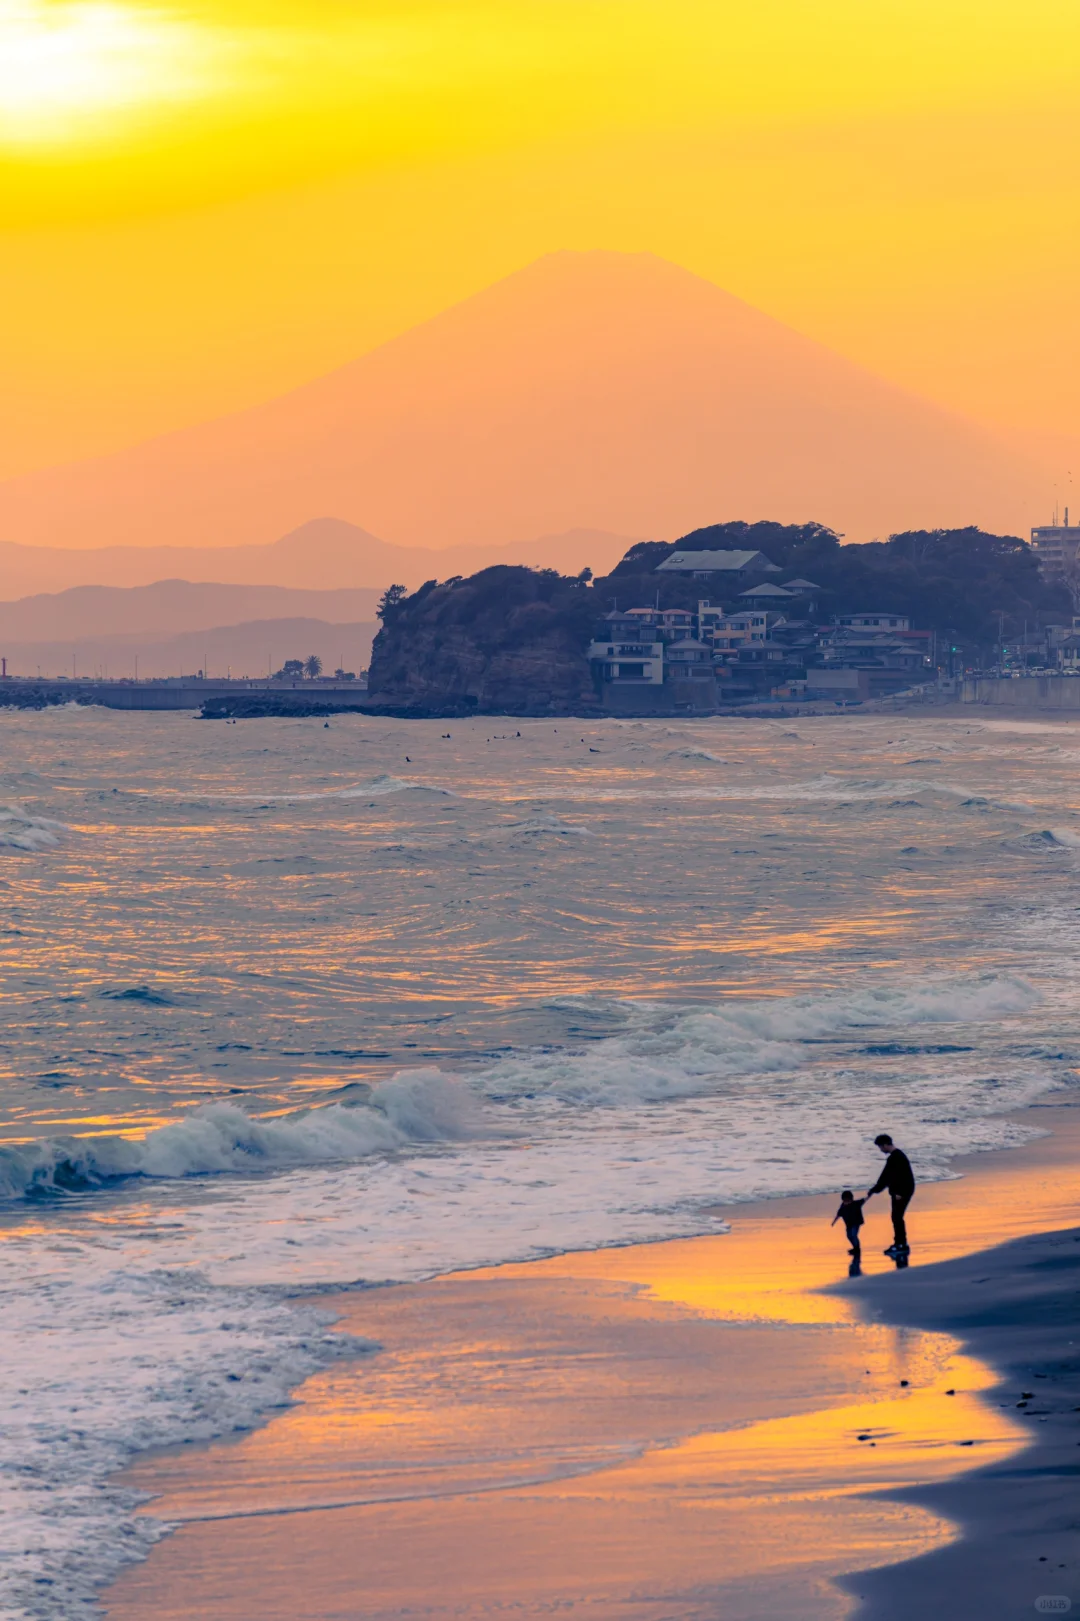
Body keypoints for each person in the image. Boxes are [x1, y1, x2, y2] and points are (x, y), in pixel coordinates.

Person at [867, 1134, 915, 1256]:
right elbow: (887, 1177)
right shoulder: (897, 1156)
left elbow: (892, 1177)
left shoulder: (896, 1157)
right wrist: (875, 1189)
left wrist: (899, 1193)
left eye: (880, 1147)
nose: (880, 1150)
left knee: (897, 1217)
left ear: (885, 1145)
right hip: (902, 1191)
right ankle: (900, 1243)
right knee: (896, 1217)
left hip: (901, 1192)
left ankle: (901, 1244)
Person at [830, 1190, 866, 1257]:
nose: (847, 1202)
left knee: (854, 1235)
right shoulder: (842, 1207)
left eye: (848, 1200)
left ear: (851, 1199)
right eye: (845, 1201)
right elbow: (838, 1215)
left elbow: (864, 1200)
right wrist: (833, 1222)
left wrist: (870, 1193)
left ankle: (857, 1249)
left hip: (856, 1223)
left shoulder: (856, 1204)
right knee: (849, 1236)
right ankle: (855, 1247)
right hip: (848, 1225)